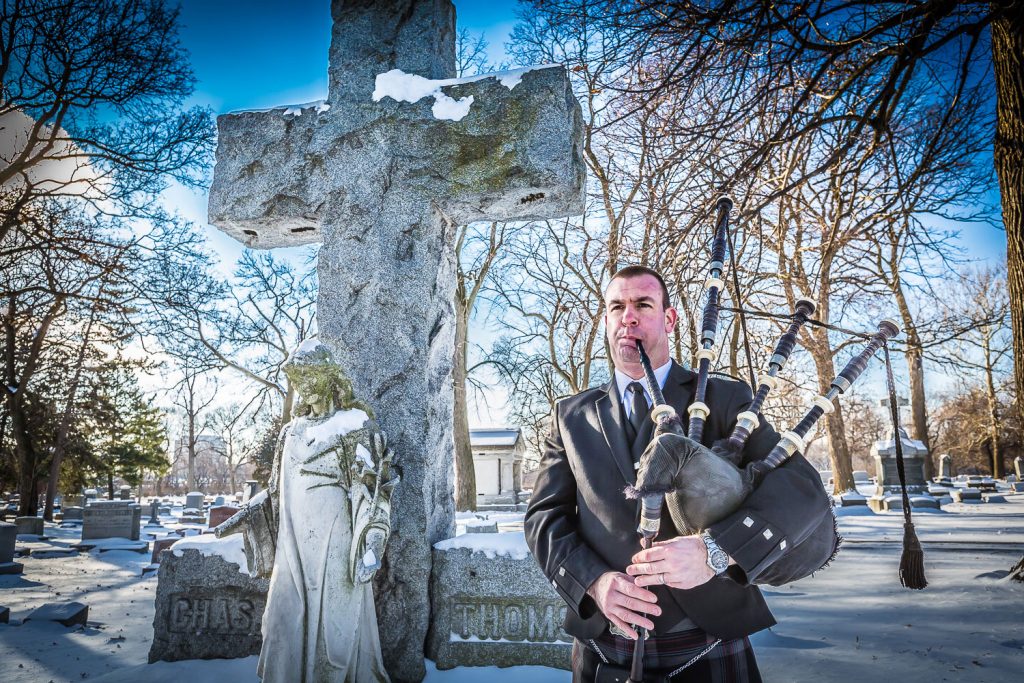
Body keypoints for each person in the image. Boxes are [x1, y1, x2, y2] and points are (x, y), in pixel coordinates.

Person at [525, 266, 834, 682]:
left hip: (707, 641)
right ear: (605, 320)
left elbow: (802, 491)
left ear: (668, 319)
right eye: (616, 306)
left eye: (642, 305)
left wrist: (718, 551)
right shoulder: (571, 415)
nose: (628, 316)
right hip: (604, 644)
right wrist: (593, 582)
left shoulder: (726, 398)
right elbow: (544, 519)